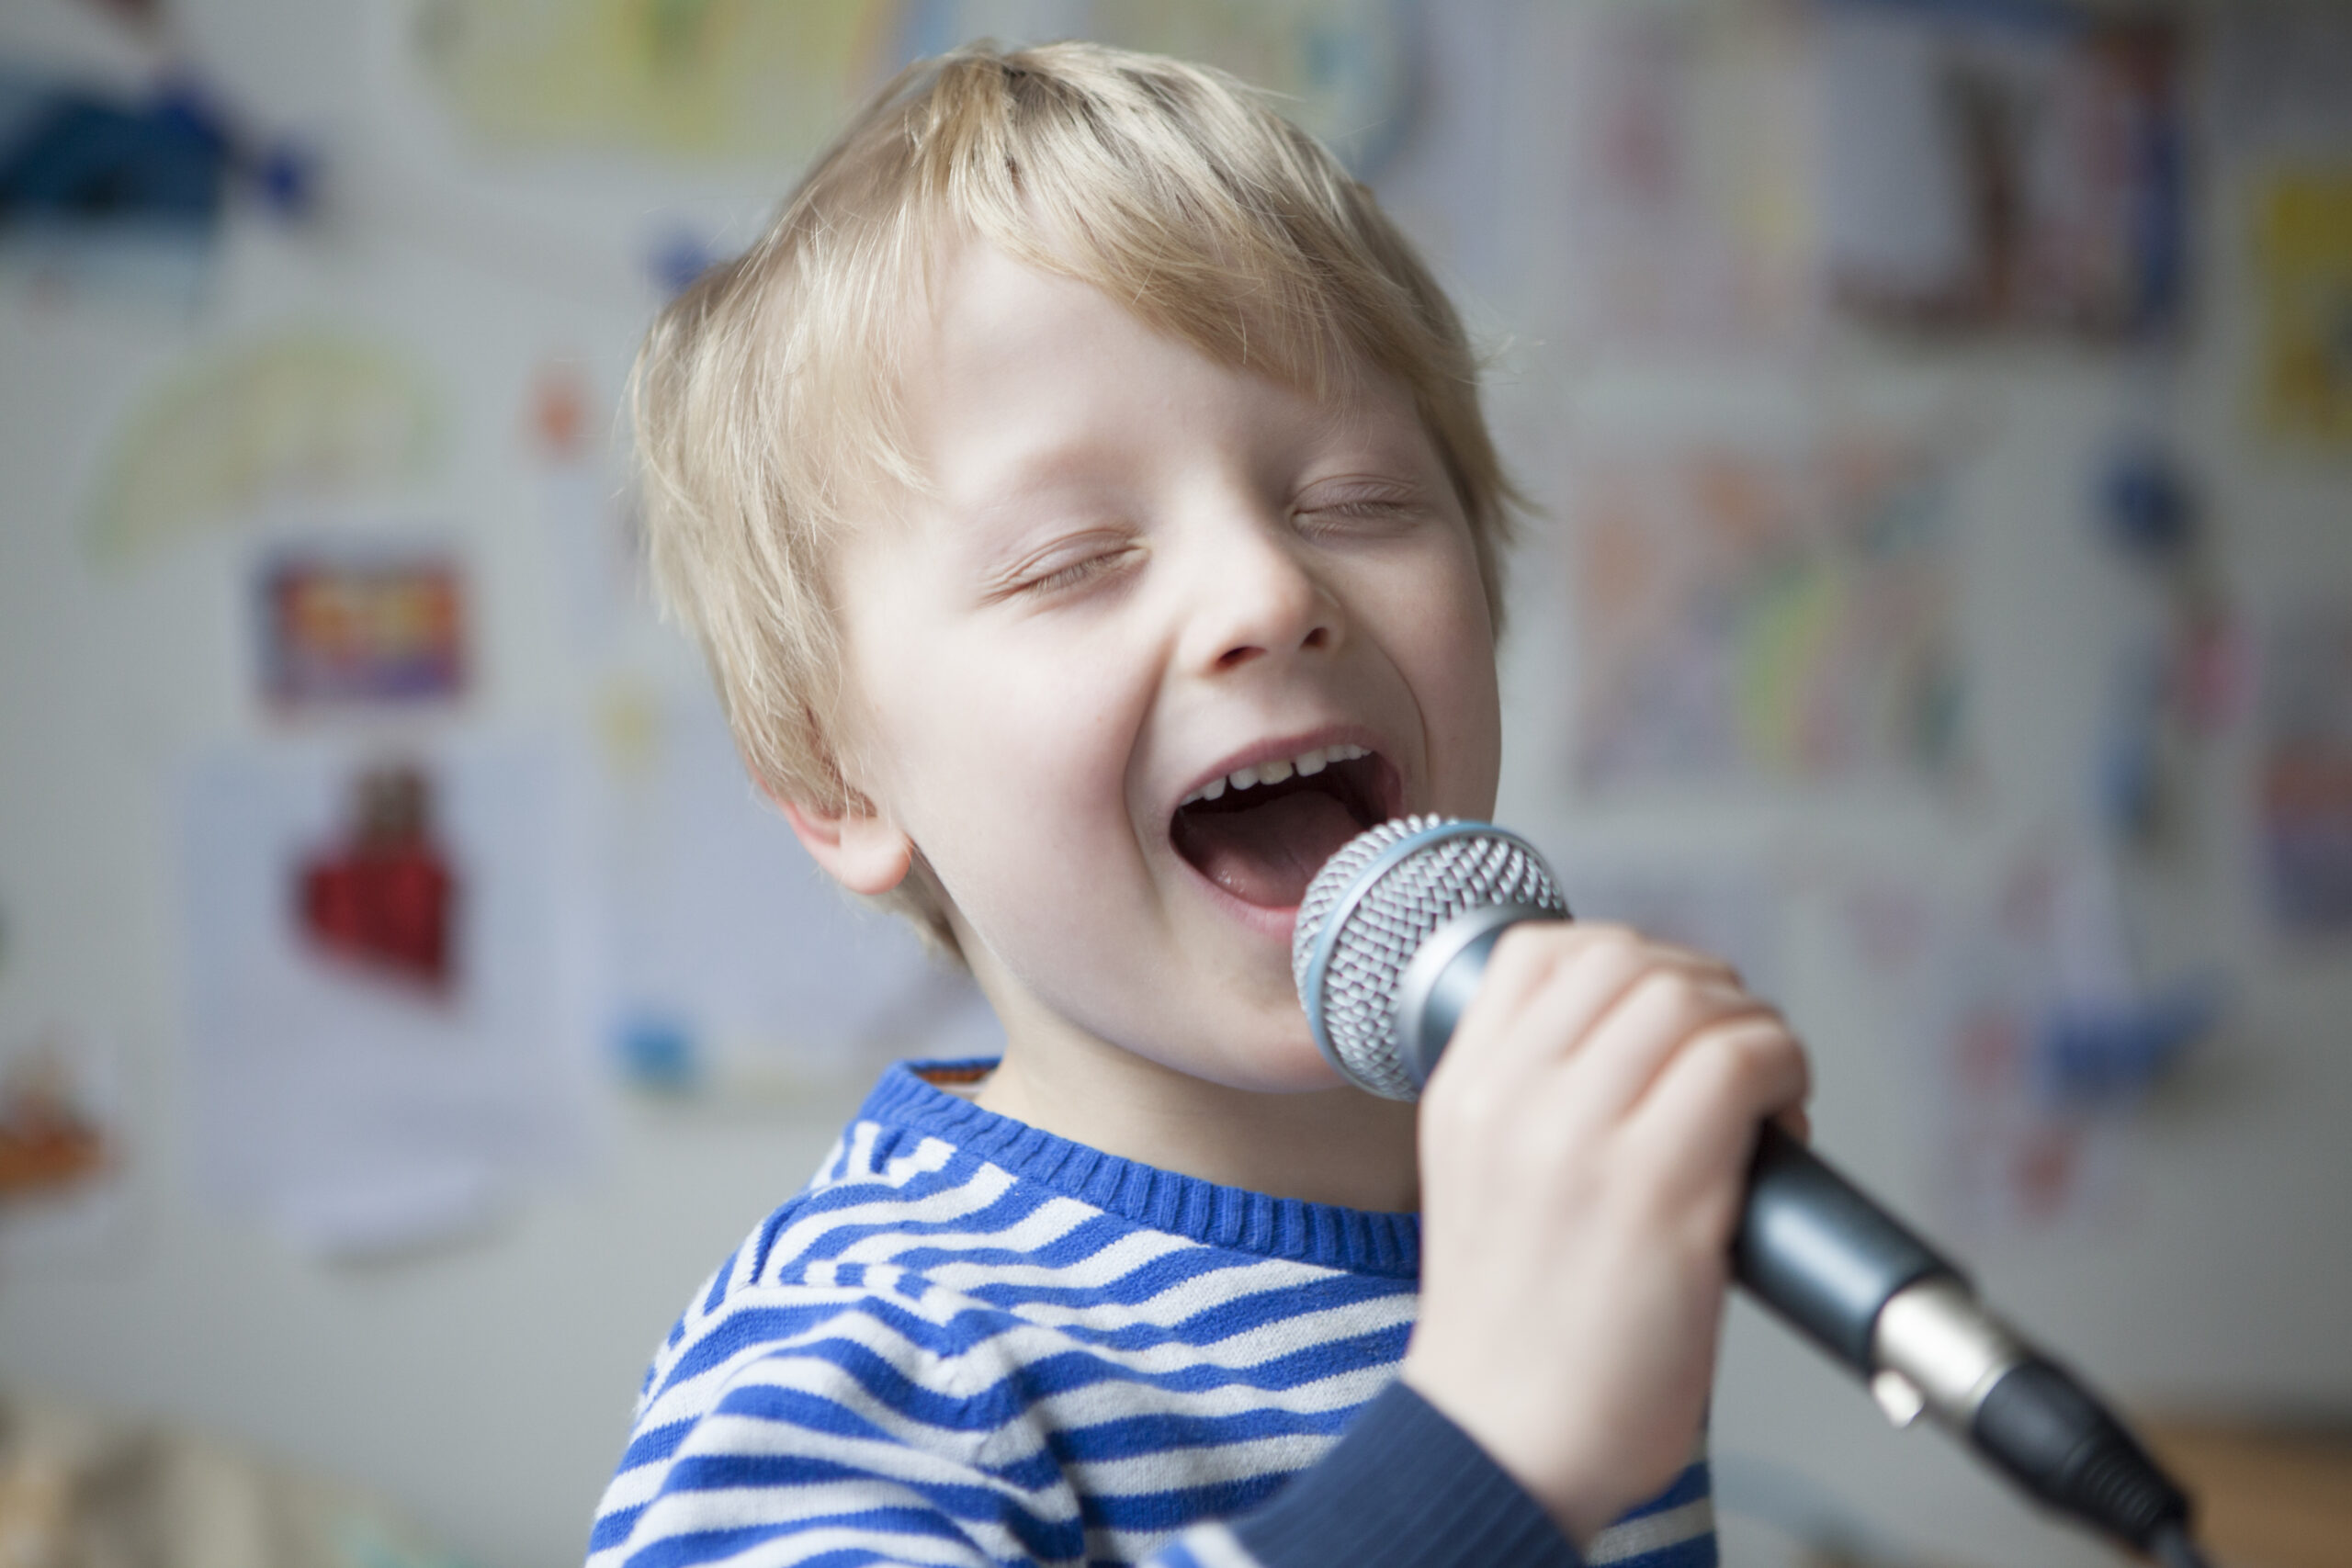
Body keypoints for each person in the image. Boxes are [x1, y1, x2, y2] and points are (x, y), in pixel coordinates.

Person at [588, 40, 1807, 1568]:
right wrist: (1485, 1456)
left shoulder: (1543, 1214)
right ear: (839, 782)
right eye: (1074, 558)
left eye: (1354, 500)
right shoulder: (867, 1355)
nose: (1270, 590)